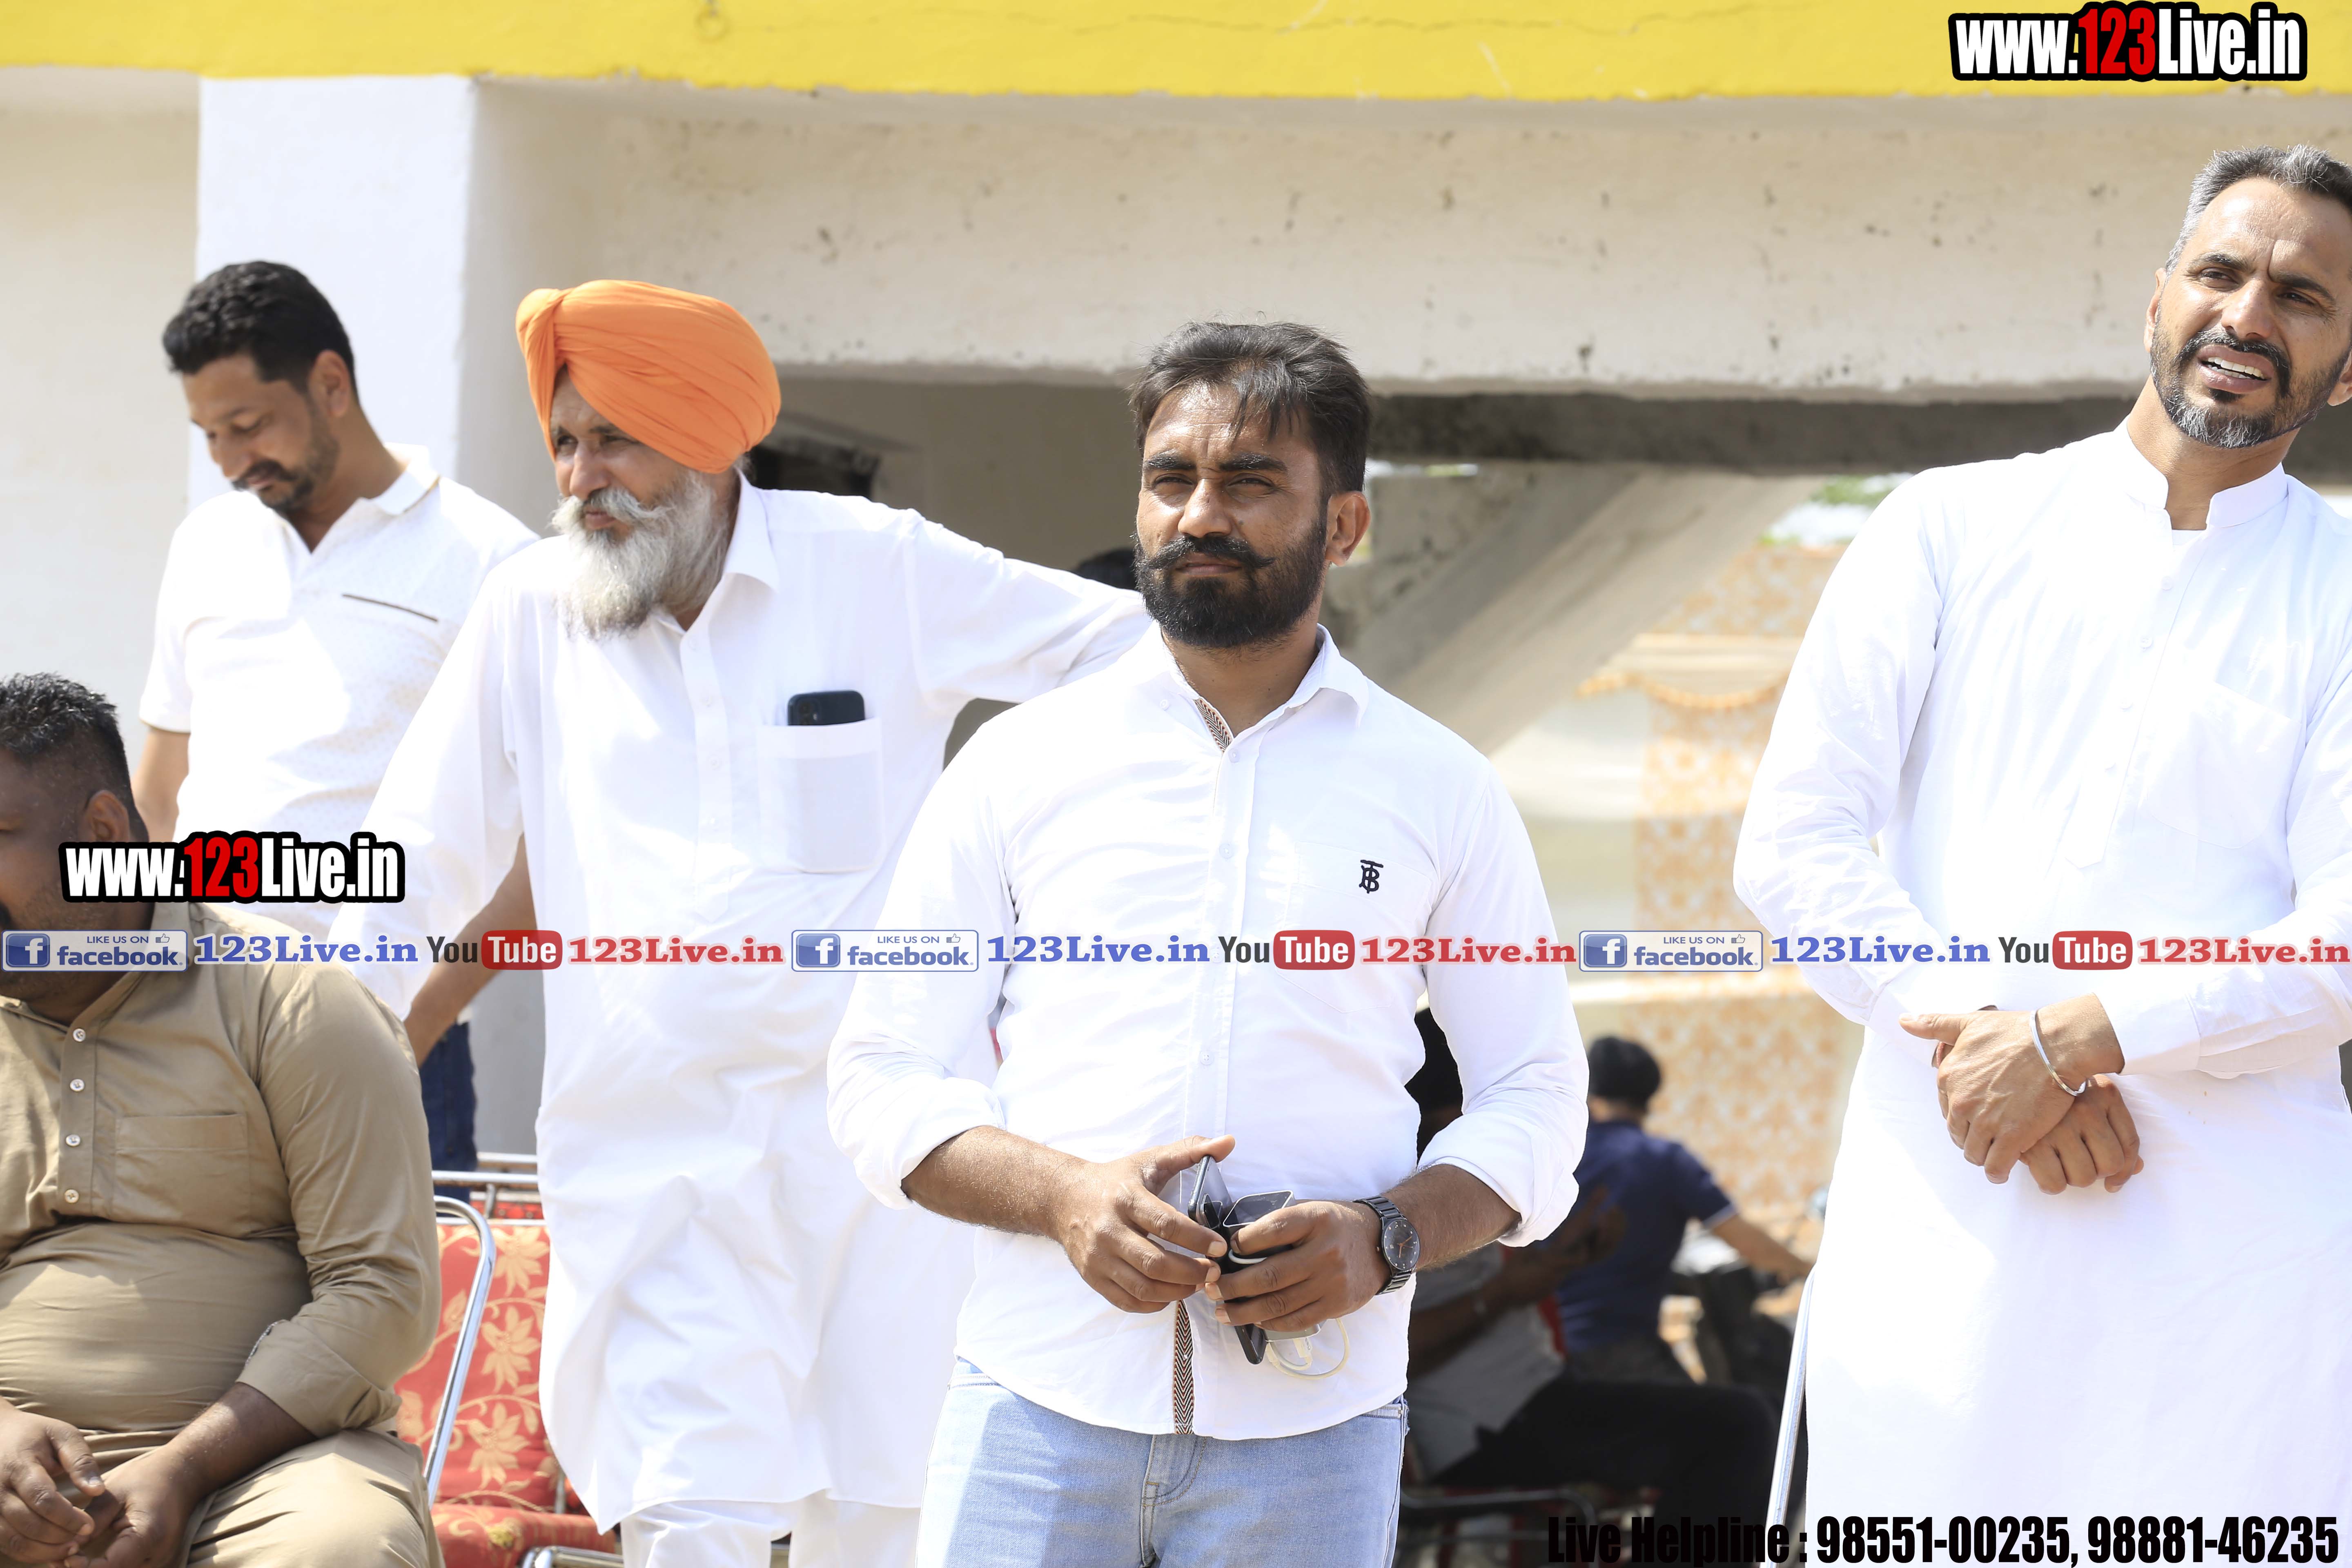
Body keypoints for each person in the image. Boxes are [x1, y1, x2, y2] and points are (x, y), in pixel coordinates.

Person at [331, 278, 1148, 1568]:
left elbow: (1129, 651)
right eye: (565, 443)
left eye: (615, 440)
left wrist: (1027, 876)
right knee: (686, 1514)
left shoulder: (873, 566)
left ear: (708, 439)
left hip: (883, 1166)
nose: (581, 478)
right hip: (654, 1164)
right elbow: (418, 852)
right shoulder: (532, 609)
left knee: (883, 1517)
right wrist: (324, 1040)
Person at [829, 321, 1588, 1568]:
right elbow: (878, 1074)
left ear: (1344, 525)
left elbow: (1538, 1092)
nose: (1198, 514)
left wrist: (1386, 1236)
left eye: (1249, 483)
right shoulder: (1018, 766)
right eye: (1171, 478)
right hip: (1033, 1408)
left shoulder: (1439, 788)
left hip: (1315, 1431)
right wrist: (1064, 1199)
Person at [1733, 144, 2352, 1515]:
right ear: (2158, 298)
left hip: (2235, 1286)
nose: (2248, 314)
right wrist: (1985, 1034)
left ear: (2350, 366)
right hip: (1947, 1243)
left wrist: (2084, 1037)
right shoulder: (1948, 526)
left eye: (2304, 296)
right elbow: (1797, 843)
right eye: (2220, 272)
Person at [0, 674, 437, 1568]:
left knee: (343, 1547)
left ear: (102, 834)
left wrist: (187, 1468)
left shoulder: (293, 1001)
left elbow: (380, 1290)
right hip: (13, 1478)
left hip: (265, 1474)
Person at [132, 261, 539, 1179]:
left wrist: (410, 1027)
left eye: (248, 426)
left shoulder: (491, 562)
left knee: (388, 1282)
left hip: (395, 1037)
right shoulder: (206, 545)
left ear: (330, 384)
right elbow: (158, 798)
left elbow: (540, 850)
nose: (229, 461)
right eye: (209, 435)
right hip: (197, 1030)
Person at [1403, 1014, 1776, 1523]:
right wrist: (1506, 1293)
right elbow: (1401, 1348)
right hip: (1490, 1422)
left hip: (1548, 1384)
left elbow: (1497, 1283)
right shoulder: (1400, 1199)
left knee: (1740, 1421)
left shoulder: (1473, 1167)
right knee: (1740, 1426)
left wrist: (1560, 1259)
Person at [1550, 1036, 1808, 1385]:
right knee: (1742, 1414)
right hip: (1617, 1350)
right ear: (1649, 1093)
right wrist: (1806, 1268)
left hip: (1543, 1348)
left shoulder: (1561, 1158)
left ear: (1588, 1090)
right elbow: (1746, 1242)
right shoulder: (1665, 1161)